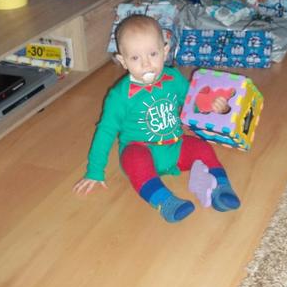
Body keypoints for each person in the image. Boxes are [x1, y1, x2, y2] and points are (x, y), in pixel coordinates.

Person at [73, 14, 240, 223]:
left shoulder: (173, 78)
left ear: (165, 51)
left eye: (153, 54)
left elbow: (192, 102)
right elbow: (105, 132)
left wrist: (213, 105)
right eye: (135, 58)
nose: (146, 64)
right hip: (142, 149)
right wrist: (95, 171)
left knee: (202, 148)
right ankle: (165, 201)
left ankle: (221, 187)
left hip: (175, 146)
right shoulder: (119, 96)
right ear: (123, 61)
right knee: (134, 160)